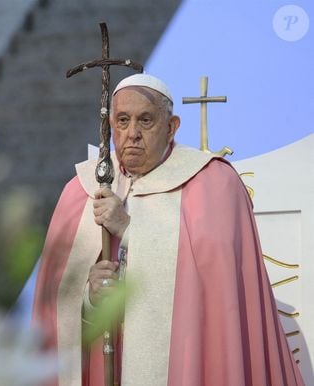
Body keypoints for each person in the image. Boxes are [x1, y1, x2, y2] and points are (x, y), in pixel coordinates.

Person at [32, 73, 304, 386]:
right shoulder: (80, 191)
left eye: (145, 120)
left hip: (187, 364)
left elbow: (215, 290)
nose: (132, 134)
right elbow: (53, 312)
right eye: (122, 121)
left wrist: (130, 230)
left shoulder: (214, 185)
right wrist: (90, 300)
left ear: (171, 126)